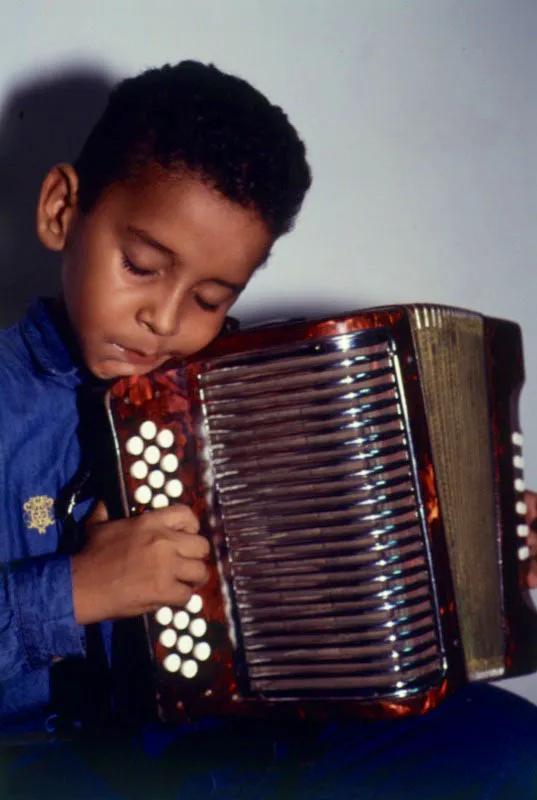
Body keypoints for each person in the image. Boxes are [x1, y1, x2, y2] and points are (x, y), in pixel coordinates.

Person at [1, 59, 537, 799]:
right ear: (63, 210)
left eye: (211, 298)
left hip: (243, 740)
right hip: (45, 757)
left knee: (511, 748)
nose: (165, 320)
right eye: (141, 265)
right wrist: (80, 590)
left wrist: (481, 563)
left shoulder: (254, 397)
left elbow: (326, 612)